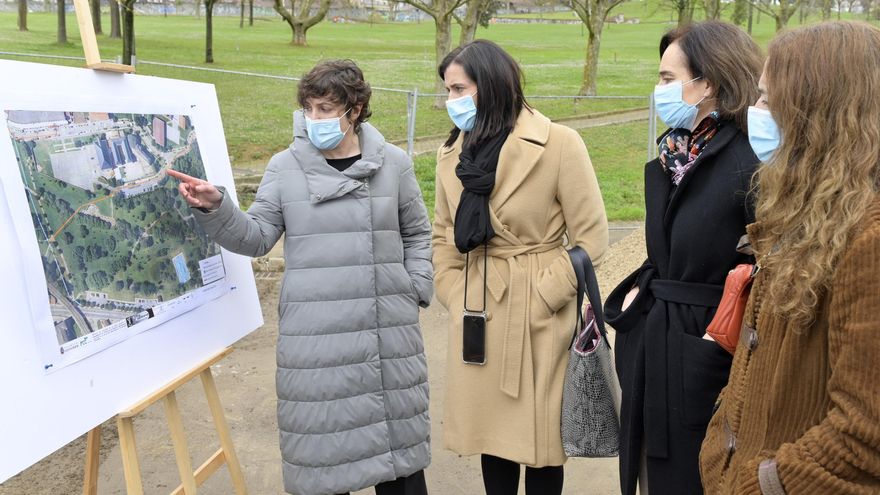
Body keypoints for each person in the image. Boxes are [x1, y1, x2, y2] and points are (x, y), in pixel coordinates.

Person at [167, 60, 433, 495]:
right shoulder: (284, 167)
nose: (316, 119)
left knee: (398, 461)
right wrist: (217, 208)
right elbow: (257, 238)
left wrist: (413, 288)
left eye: (327, 109)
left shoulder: (395, 164)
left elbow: (418, 233)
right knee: (323, 458)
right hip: (316, 343)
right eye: (309, 108)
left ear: (357, 108)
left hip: (389, 335)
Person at [700, 21, 880, 494]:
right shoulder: (809, 212)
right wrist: (719, 444)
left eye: (766, 98)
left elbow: (864, 440)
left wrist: (758, 483)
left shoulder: (869, 240)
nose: (753, 111)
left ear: (817, 111)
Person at [431, 39, 608, 495]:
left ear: (489, 87)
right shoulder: (452, 155)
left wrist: (546, 296)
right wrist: (453, 294)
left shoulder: (558, 143)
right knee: (493, 437)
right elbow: (443, 236)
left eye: (458, 89)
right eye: (448, 91)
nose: (451, 102)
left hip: (540, 313)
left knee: (542, 441)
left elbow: (591, 237)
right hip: (478, 309)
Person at [602, 21, 762, 495]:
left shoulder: (749, 160)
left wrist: (711, 336)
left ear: (708, 82)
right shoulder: (677, 152)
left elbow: (767, 268)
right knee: (651, 471)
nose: (659, 89)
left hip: (704, 350)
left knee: (695, 476)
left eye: (668, 78)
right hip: (655, 345)